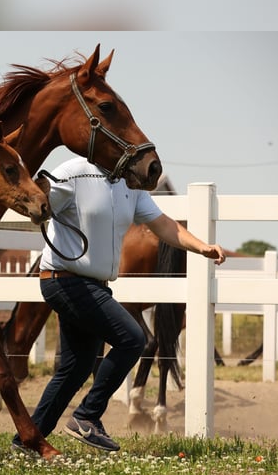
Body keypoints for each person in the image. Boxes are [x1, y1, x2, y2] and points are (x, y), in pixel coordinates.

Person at [12, 156, 226, 453]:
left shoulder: (130, 185)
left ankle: (28, 439)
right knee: (132, 338)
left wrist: (202, 246)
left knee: (75, 367)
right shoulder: (74, 172)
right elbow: (37, 199)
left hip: (92, 284)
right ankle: (87, 416)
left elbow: (163, 224)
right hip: (64, 279)